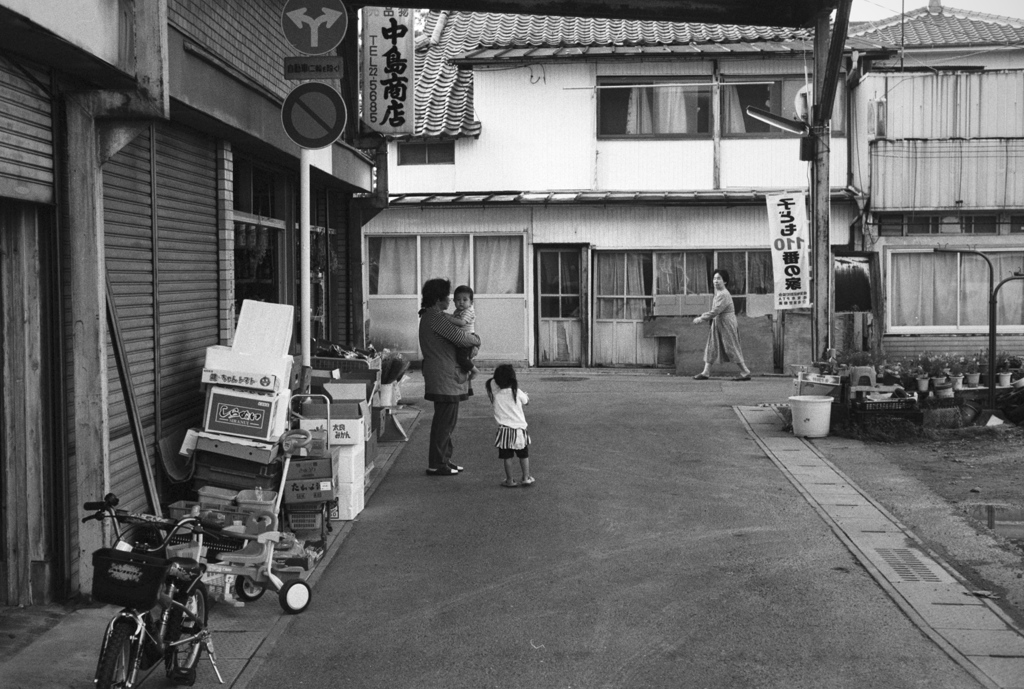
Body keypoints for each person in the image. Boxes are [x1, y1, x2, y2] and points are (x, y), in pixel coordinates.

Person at [419, 278, 482, 476]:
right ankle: (437, 463)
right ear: (438, 299)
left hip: (443, 375)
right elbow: (461, 339)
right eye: (447, 296)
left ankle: (444, 459)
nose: (451, 300)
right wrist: (477, 340)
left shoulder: (433, 316)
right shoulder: (436, 318)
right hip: (444, 376)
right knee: (444, 422)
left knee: (446, 421)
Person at [692, 268, 752, 381]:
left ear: (725, 281)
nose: (716, 281)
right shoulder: (719, 293)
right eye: (714, 278)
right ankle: (706, 372)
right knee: (712, 346)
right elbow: (715, 311)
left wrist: (701, 318)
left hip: (726, 323)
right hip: (718, 321)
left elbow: (716, 311)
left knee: (731, 347)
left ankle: (745, 371)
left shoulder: (723, 294)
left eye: (719, 278)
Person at [486, 364, 534, 488]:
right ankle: (526, 477)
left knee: (507, 457)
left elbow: (493, 382)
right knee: (523, 455)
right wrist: (526, 395)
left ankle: (510, 480)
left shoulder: (495, 393)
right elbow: (527, 402)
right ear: (512, 378)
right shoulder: (516, 392)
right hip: (520, 430)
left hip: (504, 431)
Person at [446, 284, 480, 380]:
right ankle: (465, 376)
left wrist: (447, 317)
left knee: (462, 358)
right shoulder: (457, 311)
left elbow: (461, 323)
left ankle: (474, 371)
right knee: (459, 358)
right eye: (458, 299)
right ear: (454, 301)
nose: (461, 302)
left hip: (467, 338)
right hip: (461, 338)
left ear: (471, 302)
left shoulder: (468, 311)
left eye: (465, 300)